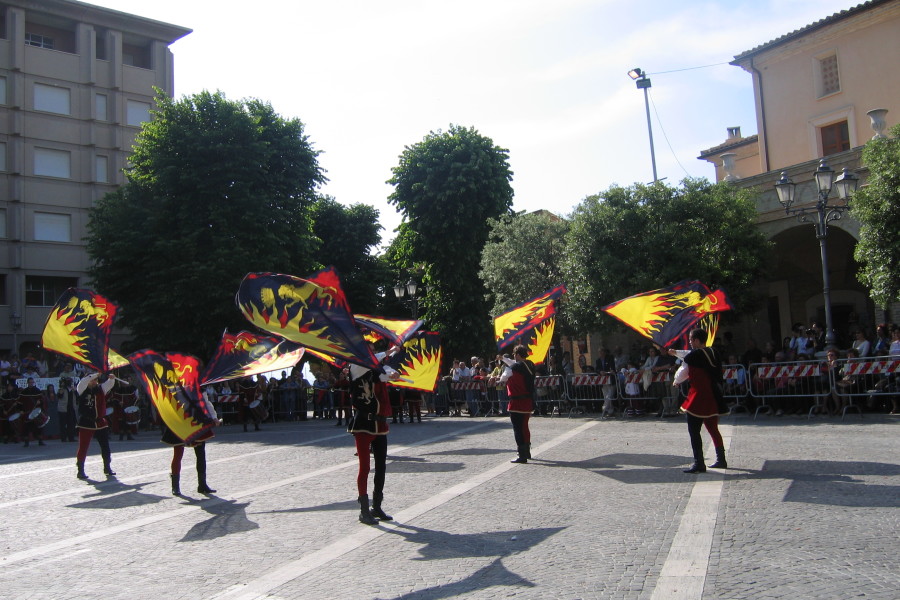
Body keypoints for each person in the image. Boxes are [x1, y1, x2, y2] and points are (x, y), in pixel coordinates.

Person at [347, 346, 400, 525]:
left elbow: (385, 371)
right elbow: (374, 362)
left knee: (381, 466)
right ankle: (363, 510)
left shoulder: (373, 369)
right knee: (364, 468)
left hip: (379, 424)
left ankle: (376, 506)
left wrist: (394, 373)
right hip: (363, 424)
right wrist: (388, 351)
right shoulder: (355, 367)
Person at [670, 328, 728, 474]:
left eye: (691, 339)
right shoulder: (713, 352)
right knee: (713, 428)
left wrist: (676, 380)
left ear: (696, 340)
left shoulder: (695, 356)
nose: (690, 342)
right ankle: (721, 459)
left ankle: (699, 463)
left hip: (699, 396)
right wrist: (675, 352)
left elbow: (686, 367)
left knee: (694, 431)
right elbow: (688, 355)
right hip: (713, 395)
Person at [164, 389, 218, 496]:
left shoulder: (196, 384)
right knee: (178, 454)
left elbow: (205, 401)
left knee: (201, 454)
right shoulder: (172, 385)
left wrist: (214, 417)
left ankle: (202, 485)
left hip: (196, 420)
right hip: (179, 421)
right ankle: (175, 486)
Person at [75, 371, 116, 480]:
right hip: (86, 422)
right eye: (92, 380)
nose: (94, 382)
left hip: (100, 422)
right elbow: (83, 381)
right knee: (83, 447)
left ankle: (107, 467)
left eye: (96, 381)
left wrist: (112, 378)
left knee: (105, 446)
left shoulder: (100, 389)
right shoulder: (82, 388)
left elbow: (109, 384)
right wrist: (95, 374)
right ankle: (80, 470)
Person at [499, 344, 536, 464]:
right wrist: (503, 359)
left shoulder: (513, 368)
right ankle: (527, 451)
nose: (513, 357)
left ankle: (522, 455)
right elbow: (513, 364)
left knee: (518, 429)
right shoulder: (530, 364)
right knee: (524, 426)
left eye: (515, 354)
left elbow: (504, 378)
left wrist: (497, 379)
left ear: (518, 355)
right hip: (528, 400)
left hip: (517, 401)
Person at [18, 377, 47, 447]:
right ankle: (26, 442)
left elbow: (42, 401)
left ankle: (40, 440)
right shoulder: (24, 392)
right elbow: (20, 403)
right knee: (26, 427)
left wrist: (40, 402)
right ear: (27, 383)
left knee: (38, 426)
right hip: (27, 412)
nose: (31, 383)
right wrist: (21, 410)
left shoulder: (37, 391)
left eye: (32, 382)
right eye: (30, 382)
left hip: (35, 413)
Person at [56, 377, 77, 442]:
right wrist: (61, 389)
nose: (70, 383)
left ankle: (71, 437)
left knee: (71, 423)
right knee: (63, 424)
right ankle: (63, 438)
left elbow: (77, 396)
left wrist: (75, 390)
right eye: (68, 382)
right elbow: (59, 396)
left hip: (71, 408)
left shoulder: (72, 389)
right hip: (63, 408)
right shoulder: (62, 389)